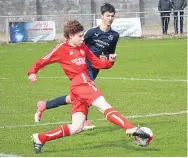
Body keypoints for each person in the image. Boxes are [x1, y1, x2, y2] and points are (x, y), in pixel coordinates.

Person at [28, 20, 151, 153]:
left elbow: (96, 62)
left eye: (83, 35)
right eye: (80, 36)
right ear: (70, 36)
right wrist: (32, 72)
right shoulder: (61, 48)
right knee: (104, 106)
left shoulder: (83, 47)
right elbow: (43, 60)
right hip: (81, 83)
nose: (83, 39)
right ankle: (130, 127)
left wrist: (109, 62)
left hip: (79, 87)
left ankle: (40, 137)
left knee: (77, 127)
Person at [34, 3, 120, 131]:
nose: (110, 18)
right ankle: (83, 121)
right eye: (108, 16)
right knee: (87, 93)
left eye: (112, 16)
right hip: (84, 66)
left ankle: (44, 105)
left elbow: (109, 52)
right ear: (102, 16)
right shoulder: (92, 32)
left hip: (96, 66)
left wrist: (108, 59)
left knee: (74, 97)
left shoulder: (114, 35)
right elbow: (78, 45)